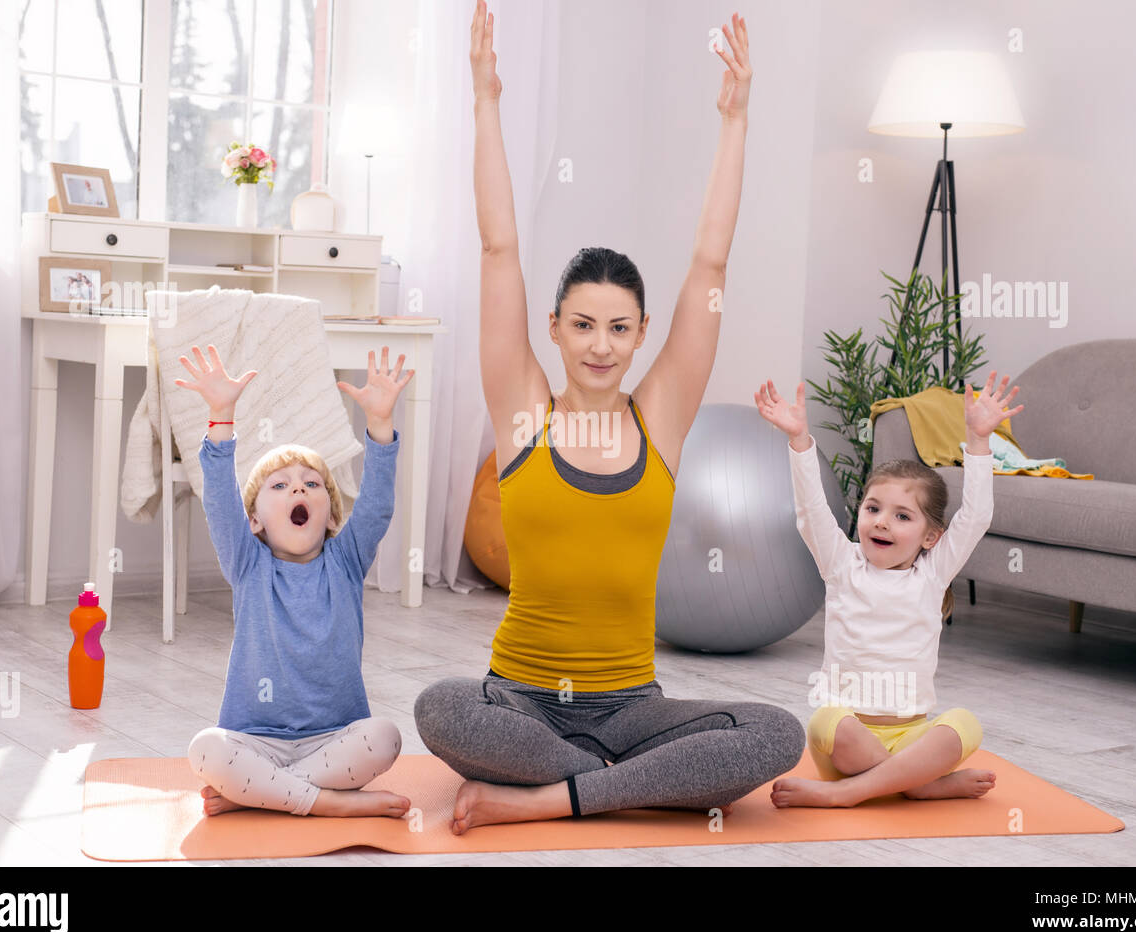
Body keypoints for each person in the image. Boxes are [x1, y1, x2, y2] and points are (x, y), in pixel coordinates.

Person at [413, 2, 804, 835]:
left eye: (619, 327)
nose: (600, 346)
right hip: (518, 704)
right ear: (553, 327)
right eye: (582, 324)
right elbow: (497, 250)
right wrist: (486, 102)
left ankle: (553, 799)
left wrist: (735, 120)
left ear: (642, 335)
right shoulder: (524, 412)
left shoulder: (659, 417)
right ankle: (627, 788)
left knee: (776, 732)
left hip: (633, 707)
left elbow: (711, 259)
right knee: (440, 708)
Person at [755, 372, 1024, 807]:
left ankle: (851, 793)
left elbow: (975, 517)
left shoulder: (932, 575)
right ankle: (918, 784)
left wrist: (978, 440)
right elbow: (810, 509)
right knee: (829, 720)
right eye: (874, 508)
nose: (881, 521)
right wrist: (800, 439)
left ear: (931, 536)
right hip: (848, 742)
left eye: (903, 516)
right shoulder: (841, 565)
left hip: (911, 736)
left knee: (965, 724)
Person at [178, 343, 417, 818]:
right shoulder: (247, 564)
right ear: (255, 521)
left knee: (385, 736)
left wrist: (380, 425)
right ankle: (327, 804)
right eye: (281, 485)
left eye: (312, 484)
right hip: (254, 741)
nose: (299, 490)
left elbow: (377, 506)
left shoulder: (346, 560)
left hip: (335, 739)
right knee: (205, 749)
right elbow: (219, 502)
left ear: (331, 517)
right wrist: (221, 415)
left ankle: (259, 794)